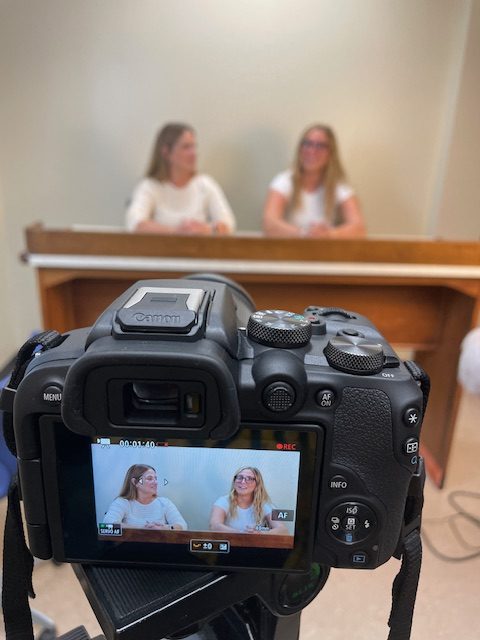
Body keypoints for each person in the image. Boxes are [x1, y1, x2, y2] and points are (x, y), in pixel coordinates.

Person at [126, 123, 236, 235]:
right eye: (186, 147)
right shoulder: (150, 186)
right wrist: (177, 231)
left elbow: (228, 224)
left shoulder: (205, 184)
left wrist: (207, 229)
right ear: (166, 152)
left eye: (194, 147)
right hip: (161, 251)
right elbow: (134, 223)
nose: (194, 153)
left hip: (198, 251)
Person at [263, 124, 366, 238]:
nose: (312, 150)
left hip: (324, 253)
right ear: (300, 148)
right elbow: (269, 225)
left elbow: (359, 228)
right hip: (288, 253)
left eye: (320, 146)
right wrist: (305, 233)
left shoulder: (338, 186)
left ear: (331, 153)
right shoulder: (285, 181)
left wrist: (328, 234)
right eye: (307, 144)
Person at [103, 464, 187, 530]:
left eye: (155, 478)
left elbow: (183, 526)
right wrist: (143, 529)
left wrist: (166, 528)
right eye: (150, 478)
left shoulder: (165, 503)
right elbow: (108, 524)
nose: (156, 482)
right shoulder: (122, 502)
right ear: (135, 482)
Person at [209, 466, 288, 534]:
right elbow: (214, 526)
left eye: (249, 479)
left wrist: (261, 533)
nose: (243, 482)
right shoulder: (223, 501)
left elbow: (283, 530)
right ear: (234, 481)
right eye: (240, 477)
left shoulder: (265, 504)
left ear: (257, 485)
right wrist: (241, 534)